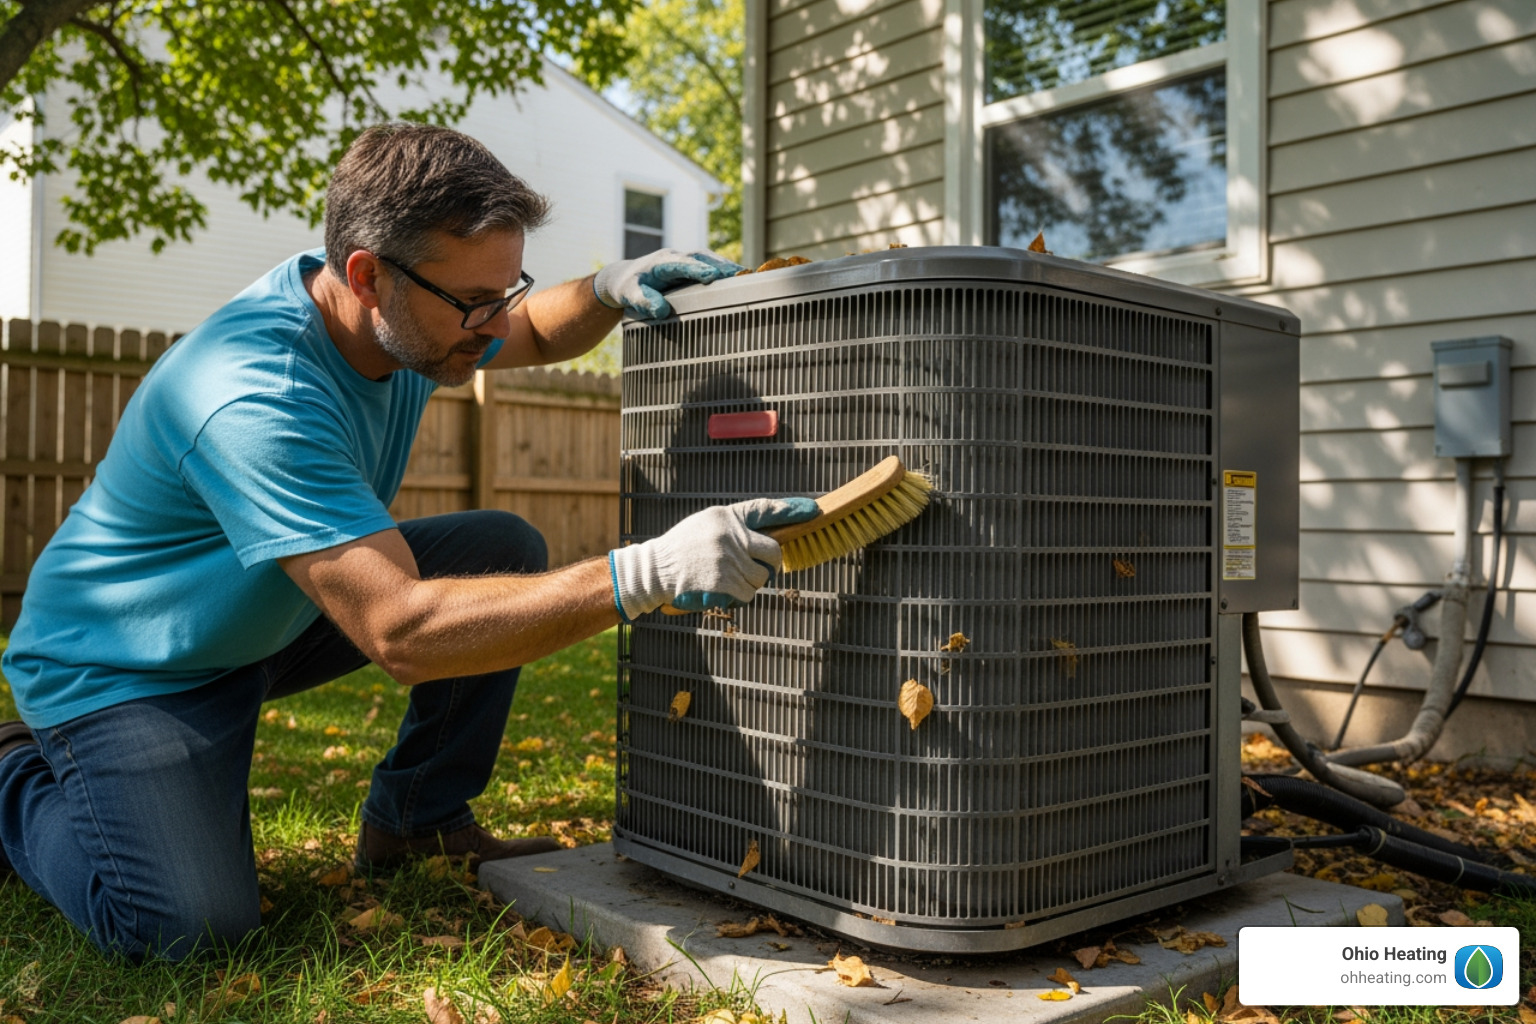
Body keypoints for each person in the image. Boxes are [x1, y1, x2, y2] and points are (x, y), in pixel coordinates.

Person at [0, 123, 817, 962]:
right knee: (187, 930)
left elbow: (534, 329)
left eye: (505, 289)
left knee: (498, 544)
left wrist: (608, 288)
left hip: (257, 616)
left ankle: (417, 822)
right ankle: (12, 776)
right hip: (127, 667)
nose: (493, 324)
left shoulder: (398, 314)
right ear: (367, 276)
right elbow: (403, 632)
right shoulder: (255, 395)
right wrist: (649, 571)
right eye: (474, 302)